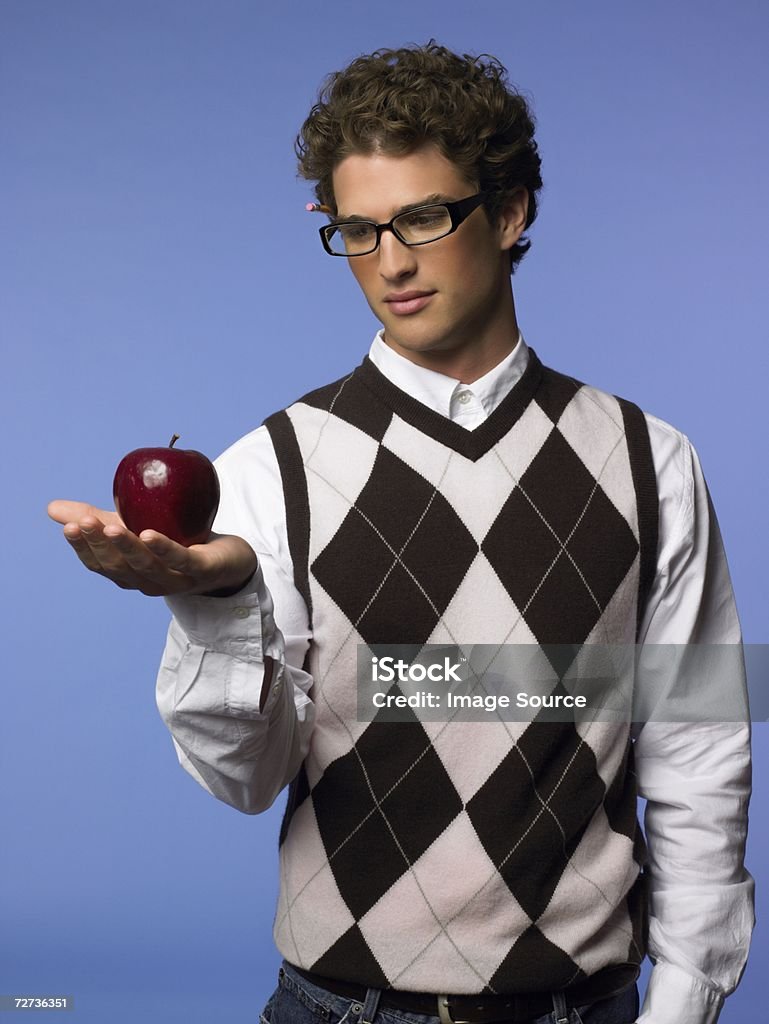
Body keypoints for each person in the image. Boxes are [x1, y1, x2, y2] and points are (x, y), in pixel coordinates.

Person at [48, 41, 753, 1024]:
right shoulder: (273, 466)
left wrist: (683, 998)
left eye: (422, 216)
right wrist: (217, 604)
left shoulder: (651, 459)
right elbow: (242, 781)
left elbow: (697, 745)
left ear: (508, 214)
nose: (390, 262)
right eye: (358, 231)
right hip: (337, 1007)